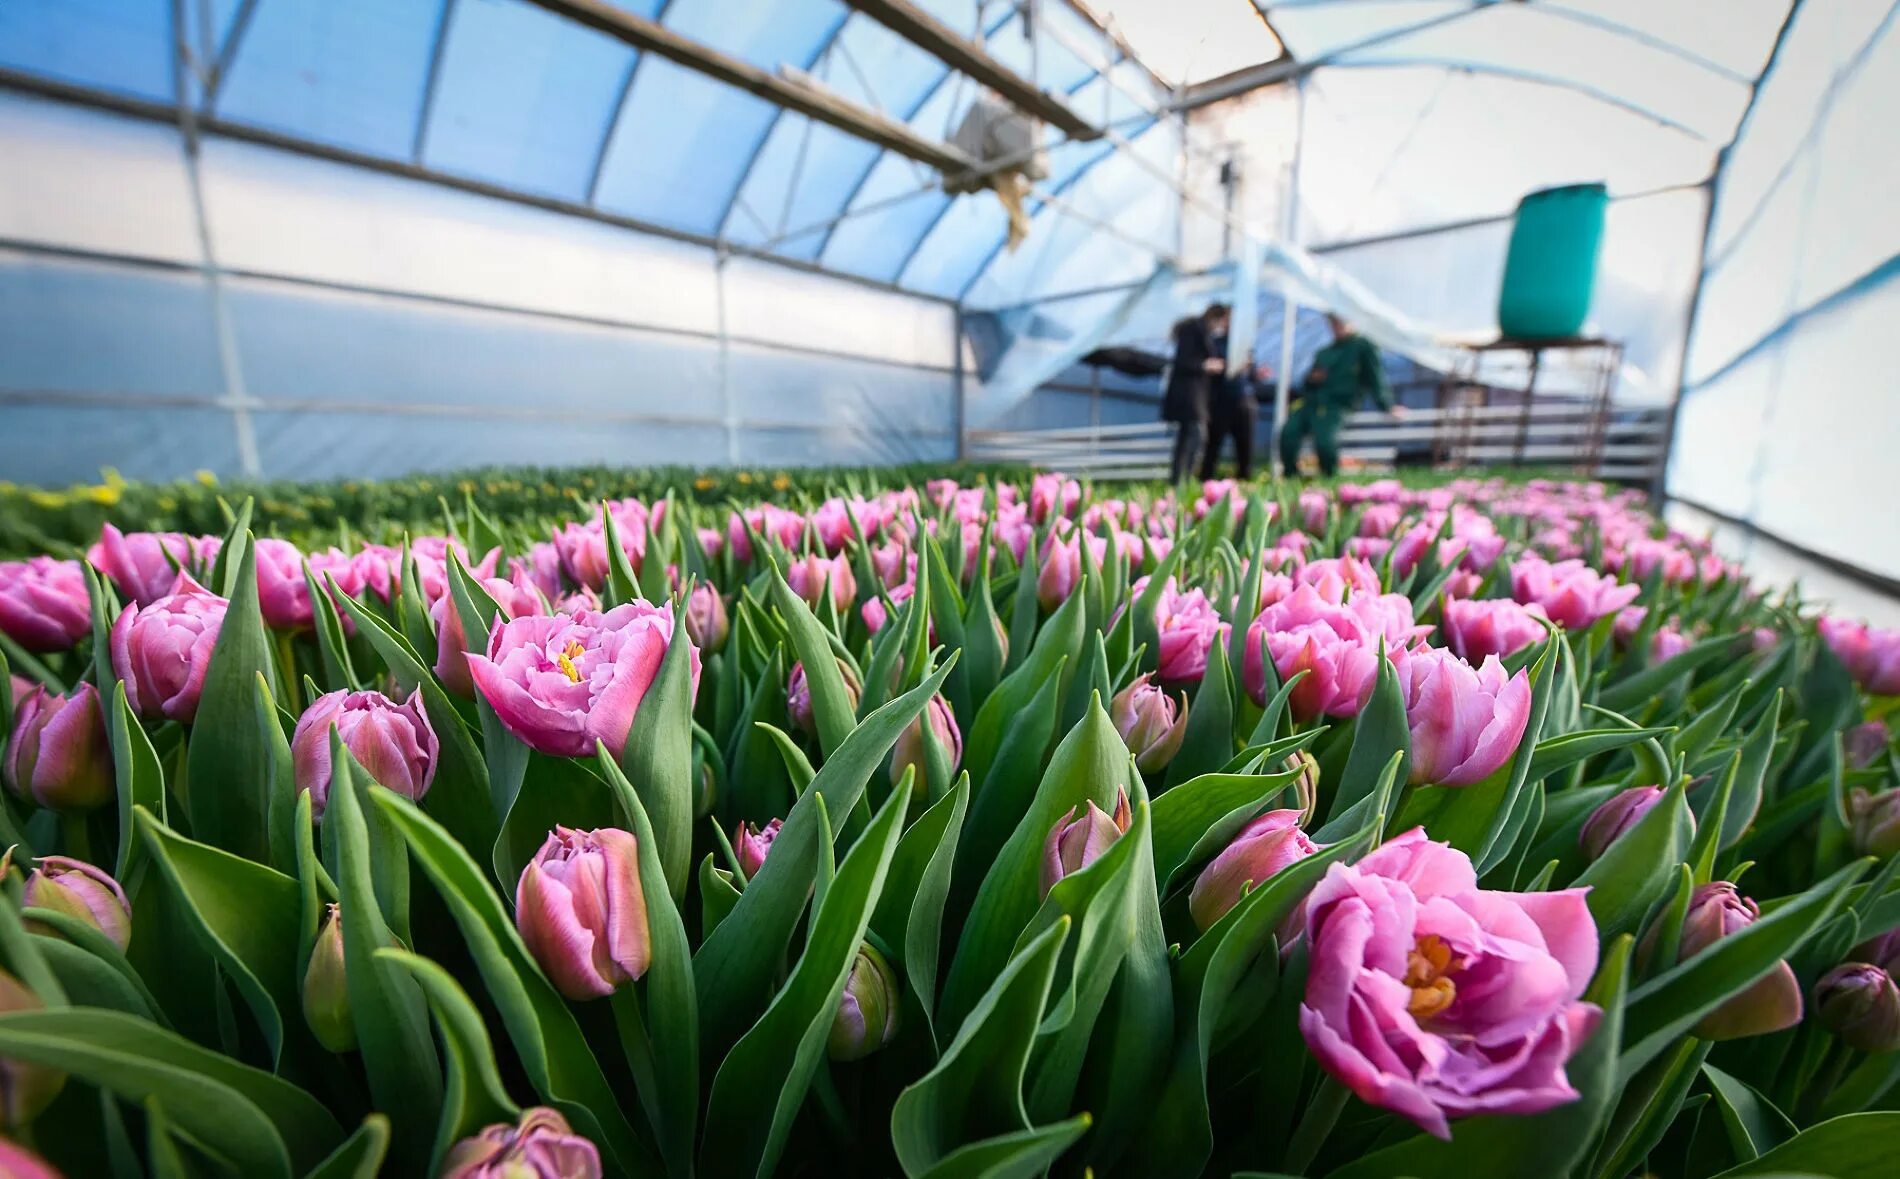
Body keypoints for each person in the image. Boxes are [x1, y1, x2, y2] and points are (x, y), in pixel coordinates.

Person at [1279, 313, 1403, 478]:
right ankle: (1291, 476)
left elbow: (1375, 378)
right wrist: (1312, 379)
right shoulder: (1324, 352)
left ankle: (1329, 477)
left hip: (1338, 405)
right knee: (1288, 432)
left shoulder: (1363, 347)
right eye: (1333, 322)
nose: (1337, 326)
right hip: (1312, 403)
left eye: (1340, 321)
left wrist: (1387, 405)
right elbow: (1306, 384)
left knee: (1324, 439)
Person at [1163, 303, 1230, 482]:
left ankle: (1181, 480)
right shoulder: (1192, 330)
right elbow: (1182, 361)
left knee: (1189, 437)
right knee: (1193, 436)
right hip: (1188, 395)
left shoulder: (1200, 331)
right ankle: (1181, 480)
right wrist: (1205, 365)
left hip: (1195, 395)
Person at [1201, 352, 1270, 480]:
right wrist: (1229, 365)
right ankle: (1206, 480)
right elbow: (1210, 371)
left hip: (1244, 402)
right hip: (1220, 402)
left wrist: (1256, 374)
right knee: (1212, 447)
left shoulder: (1245, 348)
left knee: (1245, 448)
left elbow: (1250, 376)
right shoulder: (1215, 344)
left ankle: (1244, 481)